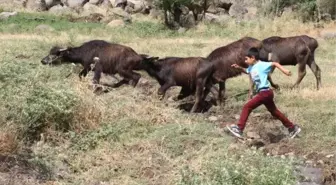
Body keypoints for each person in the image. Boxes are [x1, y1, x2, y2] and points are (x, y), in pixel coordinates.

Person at [226, 47, 301, 139]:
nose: (245, 61)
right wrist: (239, 68)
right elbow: (247, 71)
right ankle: (292, 128)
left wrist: (284, 70)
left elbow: (275, 63)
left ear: (253, 58)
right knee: (274, 112)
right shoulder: (251, 67)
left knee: (247, 107)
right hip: (265, 93)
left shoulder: (262, 65)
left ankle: (239, 128)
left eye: (246, 59)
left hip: (265, 92)